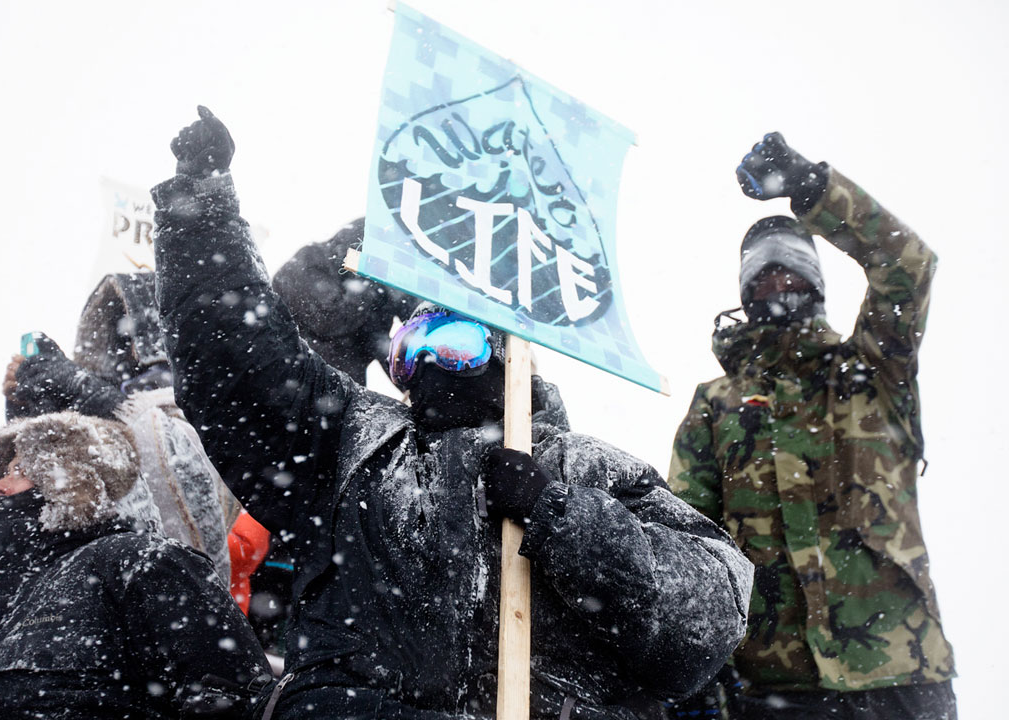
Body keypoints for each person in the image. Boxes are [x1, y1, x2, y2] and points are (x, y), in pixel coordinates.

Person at [149, 105, 754, 720]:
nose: (434, 361)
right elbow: (239, 363)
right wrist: (202, 211)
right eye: (413, 349)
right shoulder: (350, 447)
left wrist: (560, 518)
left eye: (457, 344)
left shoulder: (584, 467)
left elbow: (708, 612)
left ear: (506, 355)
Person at [668, 132, 955, 719]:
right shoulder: (715, 406)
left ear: (817, 283)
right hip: (775, 691)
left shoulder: (875, 371)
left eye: (792, 271)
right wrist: (702, 670)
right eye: (763, 277)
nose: (778, 284)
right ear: (745, 294)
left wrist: (812, 188)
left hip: (902, 677)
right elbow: (688, 539)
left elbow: (908, 265)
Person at [0, 410, 270, 719]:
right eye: (2, 473)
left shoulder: (138, 564)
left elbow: (235, 697)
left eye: (19, 470)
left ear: (72, 480)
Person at [3, 271, 237, 586]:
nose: (122, 351)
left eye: (130, 339)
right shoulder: (96, 428)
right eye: (116, 339)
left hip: (164, 606)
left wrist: (89, 393)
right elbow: (36, 533)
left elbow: (189, 502)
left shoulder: (219, 418)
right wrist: (30, 417)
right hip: (93, 605)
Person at [271, 217, 414, 385]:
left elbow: (378, 340)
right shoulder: (307, 262)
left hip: (343, 387)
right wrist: (370, 288)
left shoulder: (372, 283)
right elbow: (329, 318)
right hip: (299, 381)